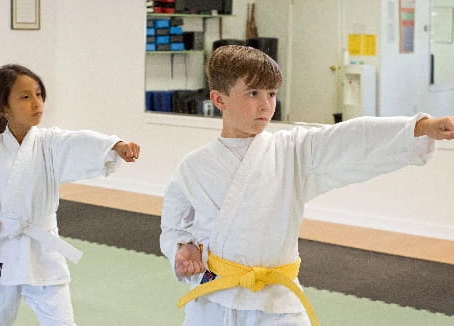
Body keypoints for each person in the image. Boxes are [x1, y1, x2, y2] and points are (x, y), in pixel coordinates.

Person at [159, 45, 454, 326]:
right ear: (220, 99)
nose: (266, 104)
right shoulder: (193, 167)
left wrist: (421, 128)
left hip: (276, 301)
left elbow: (350, 139)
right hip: (215, 300)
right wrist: (182, 249)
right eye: (253, 93)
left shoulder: (292, 151)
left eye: (272, 93)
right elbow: (174, 227)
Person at [0, 64, 140, 326]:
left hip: (42, 251)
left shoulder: (49, 143)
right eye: (25, 97)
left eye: (39, 94)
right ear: (2, 107)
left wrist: (115, 146)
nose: (36, 103)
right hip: (4, 249)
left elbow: (78, 141)